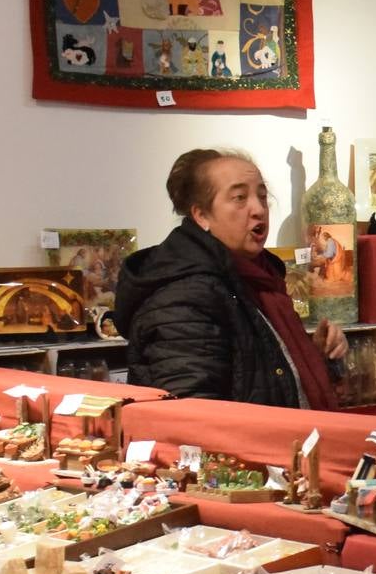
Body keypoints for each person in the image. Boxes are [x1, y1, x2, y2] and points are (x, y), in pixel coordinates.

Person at [115, 148, 347, 406]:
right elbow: (193, 412)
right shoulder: (184, 295)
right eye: (239, 198)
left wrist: (311, 355)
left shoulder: (258, 278)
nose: (259, 209)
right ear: (201, 215)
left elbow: (258, 374)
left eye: (262, 196)